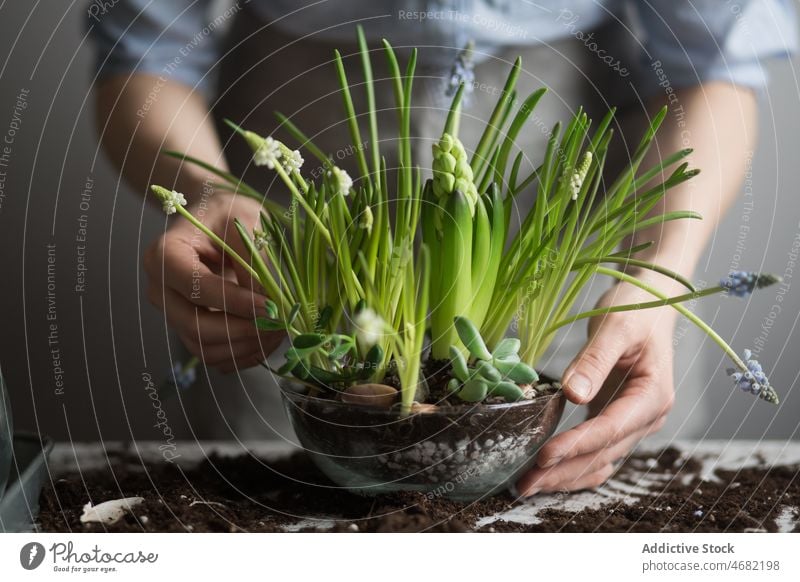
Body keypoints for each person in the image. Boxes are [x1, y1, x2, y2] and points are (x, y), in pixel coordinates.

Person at [88, 0, 796, 496]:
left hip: (563, 148)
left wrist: (655, 273)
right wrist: (205, 192)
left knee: (578, 473)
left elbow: (715, 64)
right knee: (291, 490)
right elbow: (145, 51)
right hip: (293, 157)